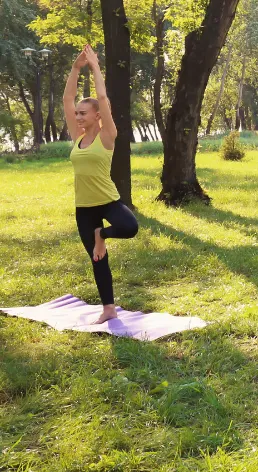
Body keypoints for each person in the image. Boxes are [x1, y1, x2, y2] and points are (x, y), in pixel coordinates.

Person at [63, 44, 139, 325]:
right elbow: (67, 98)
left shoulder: (107, 136)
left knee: (130, 227)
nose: (79, 116)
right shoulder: (77, 137)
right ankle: (108, 308)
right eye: (78, 113)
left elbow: (104, 97)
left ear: (97, 116)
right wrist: (75, 69)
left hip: (108, 200)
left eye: (84, 113)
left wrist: (95, 67)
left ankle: (102, 235)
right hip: (84, 208)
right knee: (98, 261)